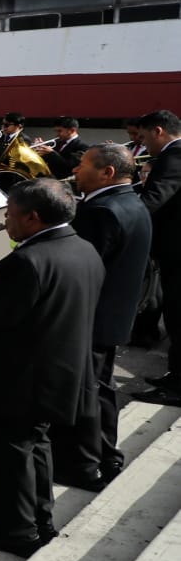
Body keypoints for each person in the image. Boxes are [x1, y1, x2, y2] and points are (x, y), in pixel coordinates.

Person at [0, 179, 104, 556]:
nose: (6, 223)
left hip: (19, 379)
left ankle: (16, 531)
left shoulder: (25, 262)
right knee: (36, 446)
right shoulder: (83, 249)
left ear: (33, 217)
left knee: (10, 456)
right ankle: (41, 519)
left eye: (11, 215)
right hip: (57, 373)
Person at [50, 144, 153, 487]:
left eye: (83, 165)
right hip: (113, 315)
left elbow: (80, 268)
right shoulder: (131, 201)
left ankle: (84, 466)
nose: (76, 170)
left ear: (107, 173)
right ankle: (107, 457)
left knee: (85, 395)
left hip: (91, 319)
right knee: (100, 390)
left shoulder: (102, 211)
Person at [136, 109, 181, 402]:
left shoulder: (174, 156)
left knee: (177, 317)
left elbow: (154, 199)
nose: (144, 145)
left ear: (158, 131)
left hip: (176, 251)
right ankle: (174, 376)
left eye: (143, 137)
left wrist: (121, 214)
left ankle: (177, 387)